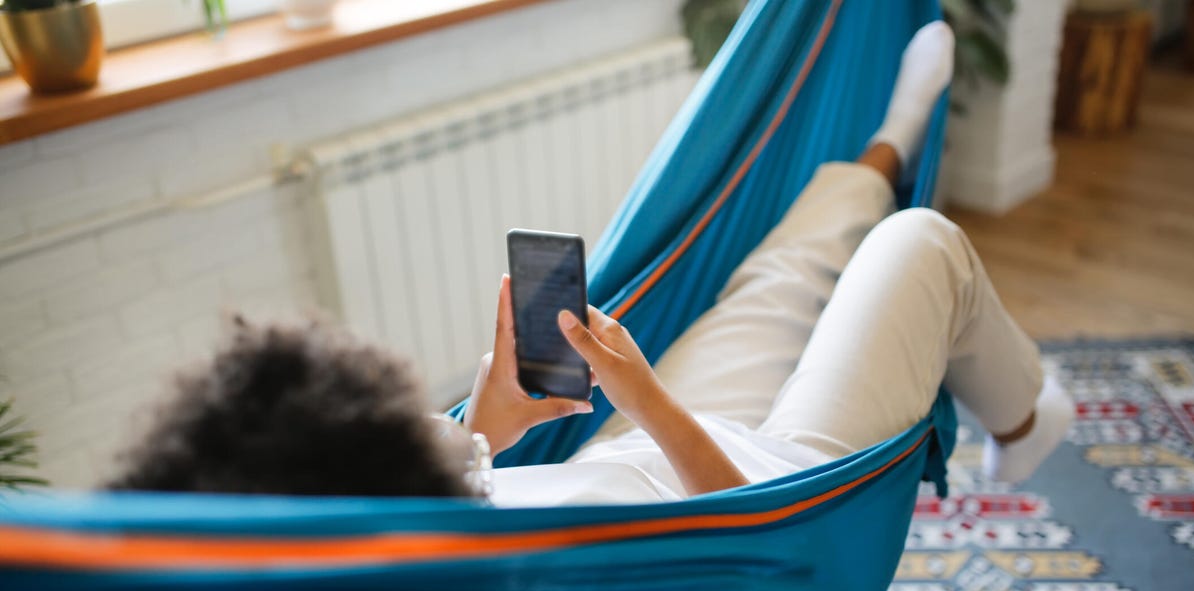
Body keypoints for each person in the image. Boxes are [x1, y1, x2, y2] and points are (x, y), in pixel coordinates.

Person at [107, 22, 1073, 504]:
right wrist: (646, 399)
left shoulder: (378, 523)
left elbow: (452, 467)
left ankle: (887, 143)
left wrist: (487, 418)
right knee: (919, 244)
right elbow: (750, 542)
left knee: (780, 270)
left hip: (638, 451)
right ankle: (1025, 416)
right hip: (755, 483)